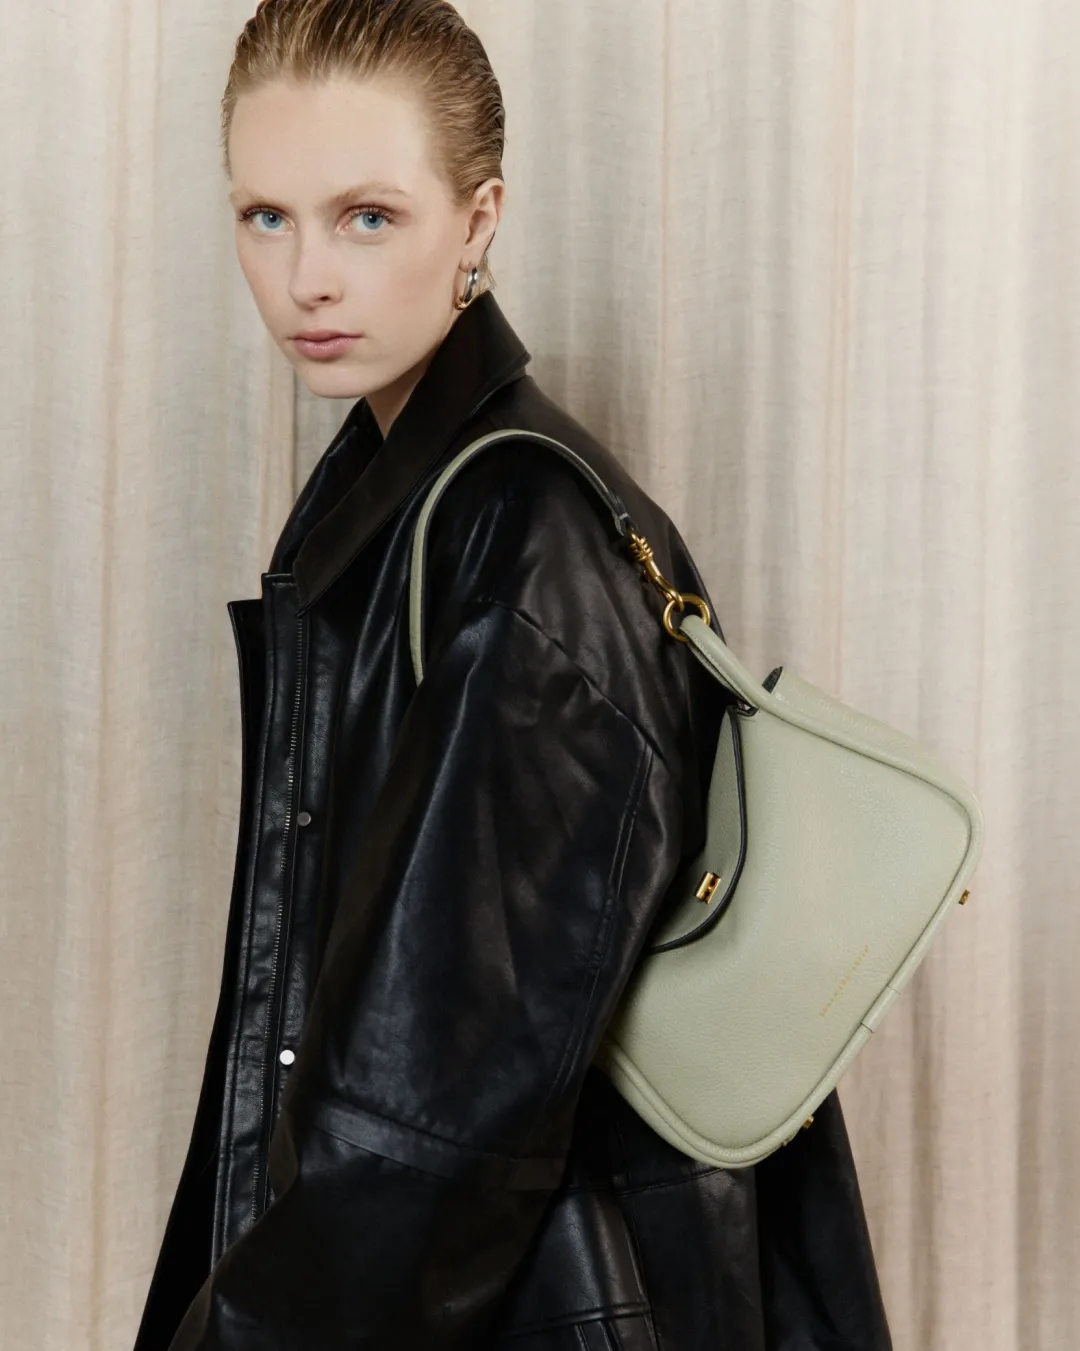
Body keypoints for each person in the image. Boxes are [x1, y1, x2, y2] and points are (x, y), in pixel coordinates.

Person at [133, 2, 893, 1347]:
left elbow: (426, 1127)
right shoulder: (409, 499)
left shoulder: (522, 542)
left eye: (368, 217)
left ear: (478, 219)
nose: (307, 277)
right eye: (266, 216)